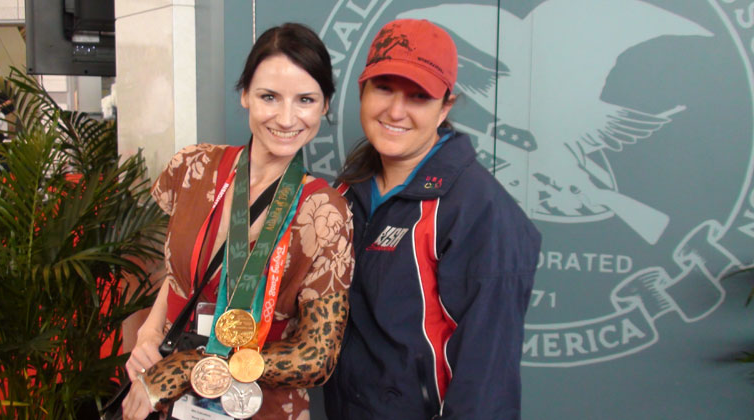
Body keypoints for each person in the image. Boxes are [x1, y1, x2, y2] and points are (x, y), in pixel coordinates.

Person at [121, 23, 354, 420]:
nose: (285, 118)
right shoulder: (193, 167)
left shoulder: (325, 211)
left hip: (258, 406)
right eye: (269, 97)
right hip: (166, 398)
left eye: (305, 100)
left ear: (325, 105)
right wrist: (150, 330)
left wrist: (183, 369)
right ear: (245, 94)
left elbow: (317, 358)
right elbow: (175, 273)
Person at [323, 19, 541, 419]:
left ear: (446, 107)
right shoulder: (346, 189)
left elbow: (487, 384)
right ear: (362, 90)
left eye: (419, 96)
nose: (395, 111)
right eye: (384, 88)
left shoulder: (481, 211)